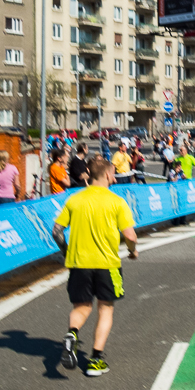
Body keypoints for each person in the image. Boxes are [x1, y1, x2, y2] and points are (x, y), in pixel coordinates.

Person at [53, 155, 138, 377]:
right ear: (109, 174)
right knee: (106, 309)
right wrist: (131, 250)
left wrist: (66, 251)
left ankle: (72, 334)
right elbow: (130, 234)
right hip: (107, 264)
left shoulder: (74, 199)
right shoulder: (117, 202)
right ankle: (95, 360)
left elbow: (56, 230)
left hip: (79, 263)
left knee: (81, 307)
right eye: (114, 174)